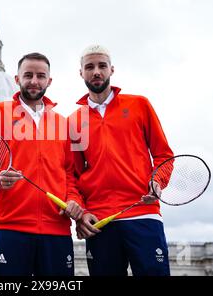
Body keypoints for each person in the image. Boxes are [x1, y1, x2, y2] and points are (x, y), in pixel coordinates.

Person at [0, 52, 84, 276]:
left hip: (57, 229)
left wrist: (73, 200)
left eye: (41, 76)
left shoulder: (63, 123)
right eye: (28, 75)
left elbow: (70, 173)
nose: (34, 81)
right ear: (17, 79)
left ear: (49, 81)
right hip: (12, 227)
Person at [68, 44, 174, 276]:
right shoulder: (74, 121)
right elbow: (72, 175)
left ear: (111, 70)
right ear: (81, 73)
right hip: (100, 220)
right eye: (90, 67)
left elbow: (164, 155)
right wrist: (82, 212)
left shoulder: (139, 105)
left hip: (142, 212)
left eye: (101, 66)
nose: (96, 71)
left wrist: (158, 181)